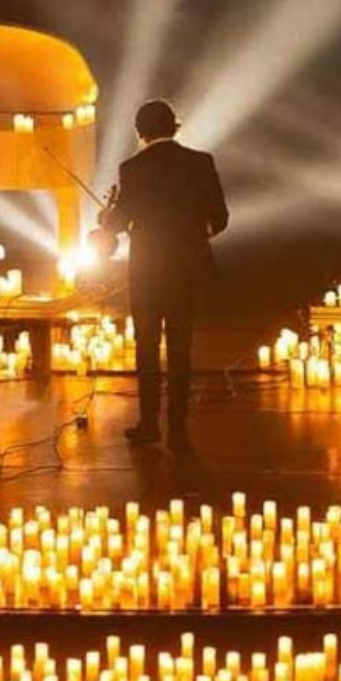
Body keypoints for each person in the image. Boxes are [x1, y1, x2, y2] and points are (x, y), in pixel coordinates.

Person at [97, 99, 230, 453]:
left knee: (147, 347)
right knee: (180, 346)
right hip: (188, 267)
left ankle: (149, 424)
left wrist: (107, 215)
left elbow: (119, 222)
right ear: (174, 126)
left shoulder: (132, 169)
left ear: (139, 132)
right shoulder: (202, 163)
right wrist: (194, 235)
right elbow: (220, 218)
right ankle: (178, 429)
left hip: (148, 270)